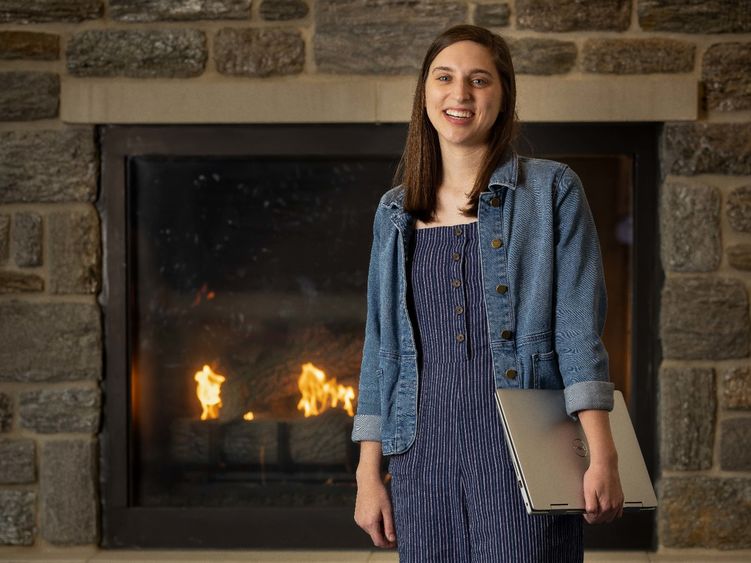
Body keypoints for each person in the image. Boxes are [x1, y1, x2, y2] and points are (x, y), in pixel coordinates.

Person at [351, 23, 624, 562]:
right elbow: (380, 350)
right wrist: (367, 473)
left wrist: (602, 451)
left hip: (522, 452)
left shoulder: (551, 191)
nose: (460, 94)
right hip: (420, 458)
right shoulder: (394, 212)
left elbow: (576, 329)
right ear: (424, 94)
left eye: (480, 80)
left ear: (503, 98)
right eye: (444, 78)